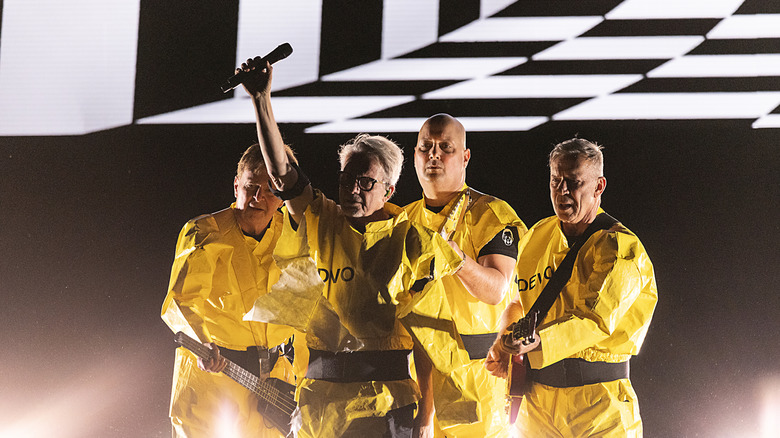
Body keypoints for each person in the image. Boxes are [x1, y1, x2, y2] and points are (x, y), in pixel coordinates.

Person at [237, 59, 464, 438]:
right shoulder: (321, 220)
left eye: (365, 182)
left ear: (388, 191)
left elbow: (428, 339)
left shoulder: (412, 241)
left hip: (385, 405)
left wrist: (427, 414)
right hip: (320, 407)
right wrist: (262, 100)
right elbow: (282, 174)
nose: (353, 190)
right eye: (346, 180)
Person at [485, 138, 658, 437]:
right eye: (556, 180)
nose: (562, 191)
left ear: (598, 186)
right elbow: (517, 303)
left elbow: (593, 320)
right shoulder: (536, 236)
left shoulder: (619, 248)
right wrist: (504, 340)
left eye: (574, 182)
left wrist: (536, 342)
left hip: (599, 408)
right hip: (536, 407)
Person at [403, 114, 527, 437]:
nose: (434, 155)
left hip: (480, 388)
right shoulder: (404, 220)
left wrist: (456, 259)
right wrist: (425, 408)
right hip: (418, 383)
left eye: (445, 147)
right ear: (414, 155)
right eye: (425, 147)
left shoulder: (491, 214)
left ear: (465, 157)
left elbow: (497, 289)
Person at [161, 144, 296, 437]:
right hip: (216, 379)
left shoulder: (294, 236)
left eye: (271, 189)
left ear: (284, 197)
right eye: (252, 187)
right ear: (237, 186)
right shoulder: (205, 233)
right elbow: (181, 301)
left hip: (274, 391)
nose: (260, 197)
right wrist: (202, 343)